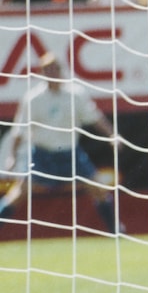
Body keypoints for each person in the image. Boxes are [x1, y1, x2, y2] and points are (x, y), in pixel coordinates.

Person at [0, 54, 123, 232]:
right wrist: (12, 156)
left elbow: (95, 118)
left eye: (55, 69)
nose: (52, 73)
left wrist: (112, 135)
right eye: (47, 69)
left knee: (98, 189)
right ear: (41, 72)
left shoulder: (76, 94)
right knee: (18, 193)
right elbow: (19, 130)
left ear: (61, 70)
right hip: (42, 154)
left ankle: (115, 229)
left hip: (70, 153)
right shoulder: (33, 98)